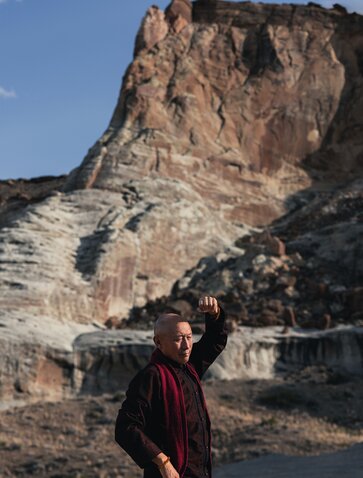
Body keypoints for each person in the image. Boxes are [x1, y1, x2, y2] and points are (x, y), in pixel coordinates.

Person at [115, 295, 228, 478]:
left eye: (189, 337)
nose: (186, 346)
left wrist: (214, 314)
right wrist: (163, 462)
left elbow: (215, 341)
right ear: (158, 343)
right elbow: (125, 427)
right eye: (178, 339)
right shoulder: (151, 377)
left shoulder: (190, 365)